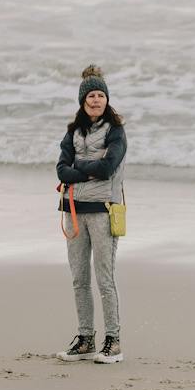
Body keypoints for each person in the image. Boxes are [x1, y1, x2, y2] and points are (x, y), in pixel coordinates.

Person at [56, 64, 126, 363]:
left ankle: (113, 341)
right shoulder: (72, 132)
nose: (96, 100)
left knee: (104, 279)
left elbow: (107, 168)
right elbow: (61, 170)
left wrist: (78, 169)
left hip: (103, 211)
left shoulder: (116, 132)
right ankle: (85, 339)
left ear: (106, 100)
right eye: (91, 96)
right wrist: (87, 169)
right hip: (73, 210)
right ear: (83, 102)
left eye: (101, 95)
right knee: (79, 279)